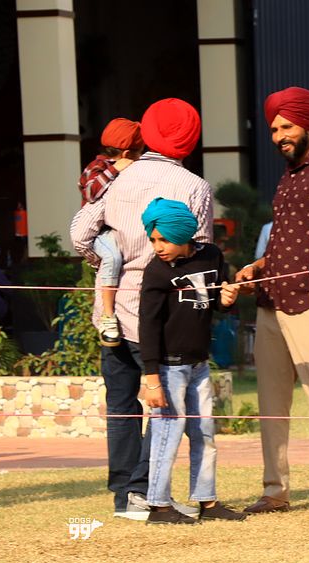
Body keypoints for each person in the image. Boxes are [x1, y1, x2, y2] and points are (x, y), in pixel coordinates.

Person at [71, 98, 213, 520]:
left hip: (112, 310)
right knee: (163, 405)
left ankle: (123, 497)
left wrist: (108, 260)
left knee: (122, 406)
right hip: (163, 315)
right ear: (191, 139)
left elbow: (80, 236)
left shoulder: (117, 177)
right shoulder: (194, 186)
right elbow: (199, 251)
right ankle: (142, 492)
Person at [234, 87, 309, 516]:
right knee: (271, 406)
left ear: (308, 125)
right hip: (271, 301)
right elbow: (289, 242)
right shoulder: (289, 175)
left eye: (286, 127)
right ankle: (274, 491)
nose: (278, 136)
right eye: (273, 129)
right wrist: (257, 266)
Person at [138, 198, 246, 525]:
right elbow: (148, 326)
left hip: (199, 363)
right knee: (167, 433)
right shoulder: (156, 272)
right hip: (168, 368)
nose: (158, 247)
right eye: (153, 239)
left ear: (183, 234)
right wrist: (152, 379)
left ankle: (207, 501)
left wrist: (227, 299)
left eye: (164, 239)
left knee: (205, 432)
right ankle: (158, 506)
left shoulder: (211, 256)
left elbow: (216, 302)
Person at [77, 117, 145, 347]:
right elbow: (90, 193)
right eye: (140, 152)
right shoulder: (98, 166)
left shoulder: (135, 169)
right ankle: (108, 316)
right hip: (101, 232)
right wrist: (115, 169)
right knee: (113, 257)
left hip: (120, 229)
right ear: (126, 153)